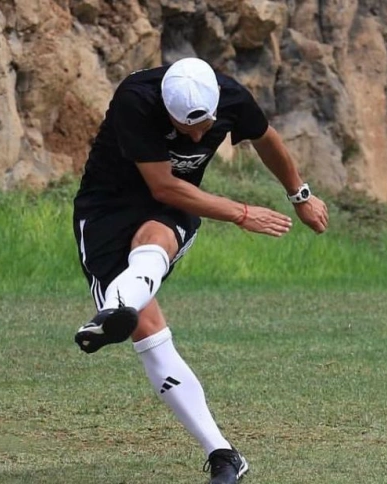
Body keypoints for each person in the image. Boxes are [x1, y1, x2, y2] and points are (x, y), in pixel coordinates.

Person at [71, 57, 329, 484]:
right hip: (106, 211)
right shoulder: (135, 100)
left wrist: (299, 195)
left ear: (214, 109)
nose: (194, 136)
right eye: (182, 126)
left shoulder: (230, 96)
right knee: (149, 334)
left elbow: (266, 139)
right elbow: (162, 184)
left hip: (174, 207)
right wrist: (241, 213)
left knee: (154, 242)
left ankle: (223, 456)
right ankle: (120, 313)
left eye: (203, 127)